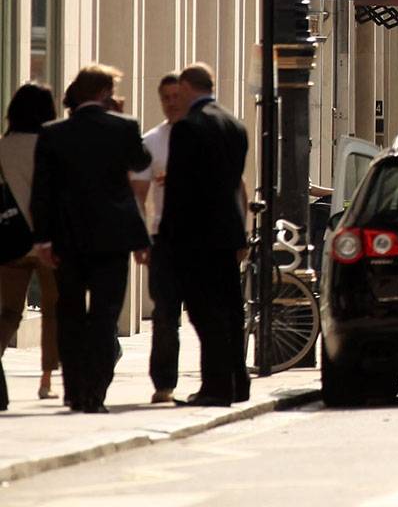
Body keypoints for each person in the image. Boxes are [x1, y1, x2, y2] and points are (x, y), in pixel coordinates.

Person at [29, 65, 151, 412]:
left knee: (69, 313)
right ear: (104, 93)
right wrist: (124, 120)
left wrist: (44, 239)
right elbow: (141, 162)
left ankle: (73, 390)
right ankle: (94, 393)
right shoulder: (123, 128)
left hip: (67, 239)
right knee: (104, 315)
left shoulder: (53, 134)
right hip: (112, 240)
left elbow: (42, 192)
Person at [156, 63, 251, 406]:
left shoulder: (189, 127)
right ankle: (238, 382)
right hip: (228, 232)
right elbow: (232, 182)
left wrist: (166, 237)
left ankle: (216, 387)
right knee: (230, 310)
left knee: (204, 312)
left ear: (186, 87)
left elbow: (180, 190)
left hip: (197, 237)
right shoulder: (235, 125)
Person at [1, 83, 61, 409]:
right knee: (53, 311)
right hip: (47, 240)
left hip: (10, 239)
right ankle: (46, 381)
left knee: (8, 312)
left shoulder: (2, 147)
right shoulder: (50, 145)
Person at [130, 72, 187, 404]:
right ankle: (164, 383)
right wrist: (141, 238)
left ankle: (214, 379)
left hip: (202, 238)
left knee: (207, 313)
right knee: (165, 314)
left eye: (176, 95)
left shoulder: (205, 134)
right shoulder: (152, 141)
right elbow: (138, 194)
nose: (171, 102)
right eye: (165, 96)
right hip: (163, 237)